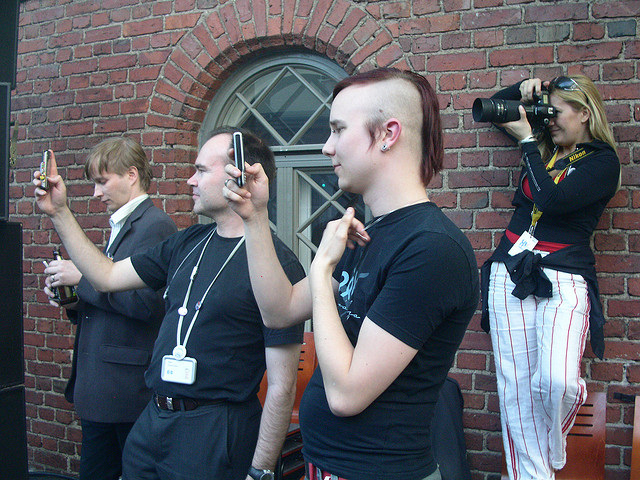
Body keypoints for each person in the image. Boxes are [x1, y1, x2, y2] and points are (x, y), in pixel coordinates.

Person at [224, 68, 480, 480]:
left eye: (339, 129)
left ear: (388, 135)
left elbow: (346, 394)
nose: (327, 147)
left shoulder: (432, 249)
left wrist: (322, 270)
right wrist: (254, 216)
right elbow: (279, 310)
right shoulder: (370, 234)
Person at [34, 127, 304, 480]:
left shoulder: (279, 266)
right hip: (154, 420)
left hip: (215, 428)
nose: (191, 180)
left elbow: (282, 386)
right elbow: (107, 276)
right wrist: (59, 212)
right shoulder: (189, 241)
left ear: (240, 174)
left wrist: (261, 471)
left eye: (201, 170)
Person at [480, 75, 620, 479]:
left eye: (557, 112)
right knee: (515, 389)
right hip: (511, 273)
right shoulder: (544, 148)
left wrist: (528, 141)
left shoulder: (602, 162)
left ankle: (546, 452)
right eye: (547, 113)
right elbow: (494, 108)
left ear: (585, 113)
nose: (549, 120)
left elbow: (552, 200)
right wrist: (523, 90)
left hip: (565, 278)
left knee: (558, 382)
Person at [42, 137, 177, 480]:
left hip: (125, 392)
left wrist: (81, 277)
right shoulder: (126, 223)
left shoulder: (155, 225)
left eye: (102, 181)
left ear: (132, 175)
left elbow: (146, 304)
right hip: (105, 389)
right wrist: (73, 297)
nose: (96, 193)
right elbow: (112, 297)